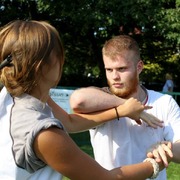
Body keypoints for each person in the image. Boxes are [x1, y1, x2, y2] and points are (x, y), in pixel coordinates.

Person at [0, 20, 168, 180]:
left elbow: (69, 122)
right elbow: (105, 178)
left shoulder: (12, 95)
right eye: (58, 54)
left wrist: (122, 111)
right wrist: (155, 164)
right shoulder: (43, 133)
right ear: (41, 66)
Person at [70, 35, 180, 180]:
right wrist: (126, 107)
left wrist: (166, 149)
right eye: (109, 70)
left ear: (139, 67)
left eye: (121, 69)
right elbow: (78, 101)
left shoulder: (164, 102)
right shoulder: (100, 102)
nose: (114, 76)